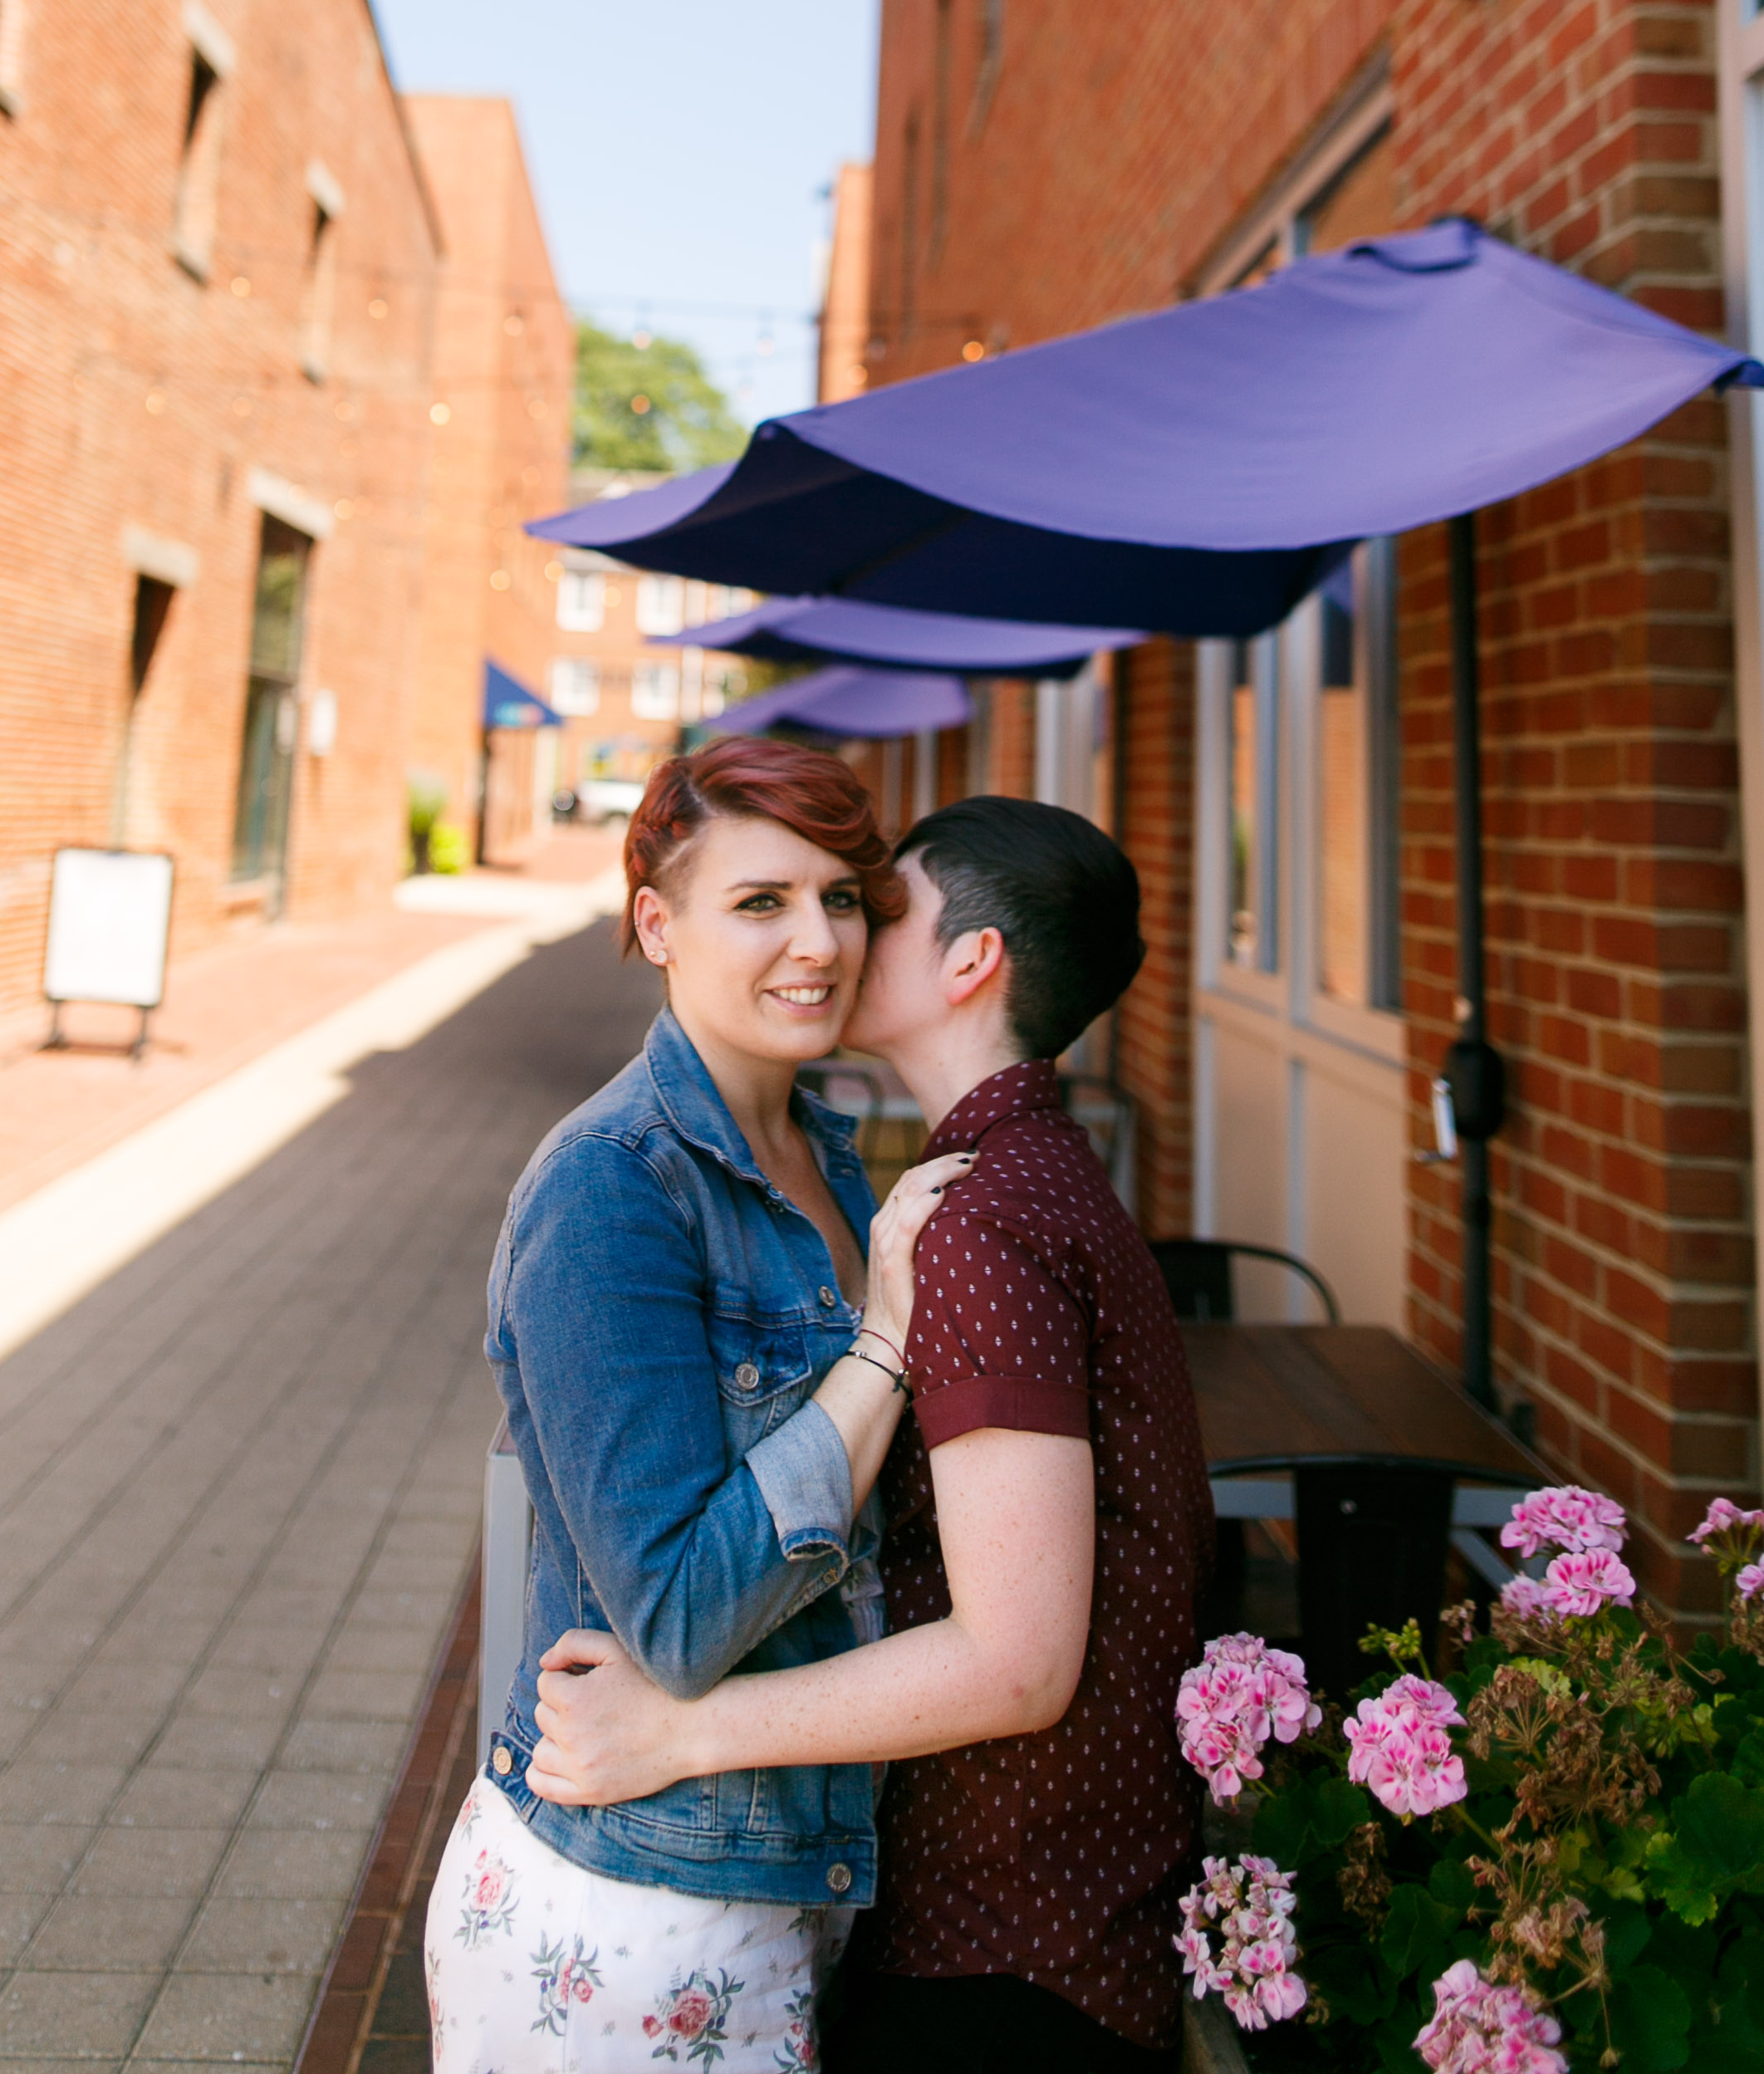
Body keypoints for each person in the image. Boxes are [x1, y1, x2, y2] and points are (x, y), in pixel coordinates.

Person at [528, 795, 1215, 2072]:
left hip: (1008, 1934)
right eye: (784, 904)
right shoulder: (1011, 1174)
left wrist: (682, 1730)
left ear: (971, 962)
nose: (834, 942)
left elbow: (1015, 1661)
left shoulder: (979, 1219)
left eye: (869, 907)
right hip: (1047, 1907)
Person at [424, 738, 973, 2074]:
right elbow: (675, 1613)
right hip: (626, 1915)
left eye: (841, 898)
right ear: (655, 925)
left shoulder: (825, 1153)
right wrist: (887, 1343)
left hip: (777, 1878)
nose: (819, 940)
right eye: (760, 902)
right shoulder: (609, 1192)